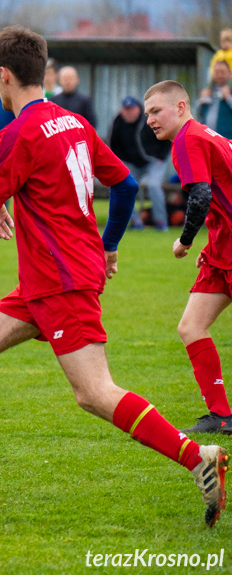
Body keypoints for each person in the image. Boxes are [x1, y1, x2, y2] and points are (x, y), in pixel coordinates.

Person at [0, 26, 228, 528]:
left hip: (62, 281)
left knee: (95, 393)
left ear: (2, 76)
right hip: (50, 278)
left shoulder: (18, 132)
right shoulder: (74, 123)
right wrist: (107, 245)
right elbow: (125, 186)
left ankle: (199, 457)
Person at [144, 79, 232, 436]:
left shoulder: (187, 139)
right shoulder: (206, 133)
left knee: (192, 327)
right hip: (223, 249)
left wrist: (184, 241)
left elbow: (200, 197)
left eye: (156, 111)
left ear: (180, 107)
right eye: (147, 113)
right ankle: (221, 416)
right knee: (191, 326)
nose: (150, 120)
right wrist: (212, 247)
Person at [109, 96, 171, 231]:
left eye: (132, 109)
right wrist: (123, 162)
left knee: (153, 185)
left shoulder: (150, 120)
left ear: (139, 109)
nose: (129, 112)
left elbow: (167, 137)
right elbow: (114, 145)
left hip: (154, 161)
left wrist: (161, 157)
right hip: (132, 163)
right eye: (126, 109)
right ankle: (135, 222)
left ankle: (161, 221)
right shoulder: (118, 122)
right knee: (122, 186)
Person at [196, 61, 232, 139]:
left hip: (227, 139)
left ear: (229, 74)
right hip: (209, 139)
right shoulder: (208, 91)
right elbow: (197, 114)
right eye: (216, 72)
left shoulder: (229, 92)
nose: (219, 75)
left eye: (222, 72)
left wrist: (228, 98)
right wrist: (201, 101)